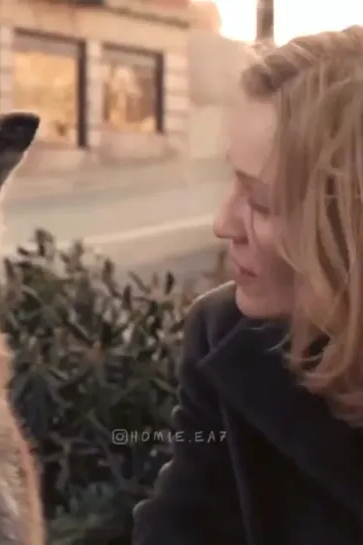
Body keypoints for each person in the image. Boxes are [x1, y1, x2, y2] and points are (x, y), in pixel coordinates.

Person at [132, 25, 363, 545]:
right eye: (232, 183)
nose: (224, 223)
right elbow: (179, 528)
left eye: (260, 203)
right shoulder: (228, 336)